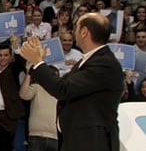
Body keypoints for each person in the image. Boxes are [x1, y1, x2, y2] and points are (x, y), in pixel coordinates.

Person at [21, 12, 124, 151]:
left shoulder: (104, 63)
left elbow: (62, 89)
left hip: (92, 142)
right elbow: (61, 84)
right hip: (78, 139)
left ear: (84, 32)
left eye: (76, 28)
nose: (74, 32)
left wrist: (38, 62)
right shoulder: (88, 60)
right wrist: (39, 62)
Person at [19, 64, 59, 151]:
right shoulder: (37, 87)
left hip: (55, 137)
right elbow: (23, 95)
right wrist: (29, 73)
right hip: (37, 136)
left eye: (55, 76)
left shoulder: (60, 91)